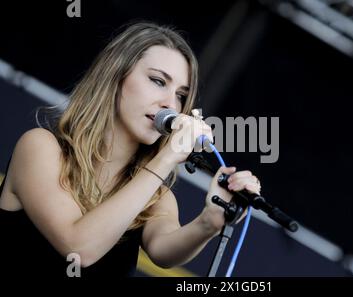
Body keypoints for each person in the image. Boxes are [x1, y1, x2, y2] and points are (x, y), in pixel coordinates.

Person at [0, 22, 261, 277]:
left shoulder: (155, 195)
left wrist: (209, 222)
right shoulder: (39, 147)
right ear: (115, 76)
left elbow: (163, 251)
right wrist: (167, 157)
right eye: (158, 81)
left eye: (181, 95)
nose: (170, 104)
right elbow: (78, 249)